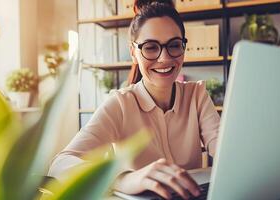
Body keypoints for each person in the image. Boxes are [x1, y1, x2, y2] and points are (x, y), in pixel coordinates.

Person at [48, 0, 220, 199]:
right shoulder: (119, 104)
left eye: (174, 45)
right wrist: (123, 179)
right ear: (133, 52)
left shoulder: (197, 94)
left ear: (183, 47)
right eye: (150, 47)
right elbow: (60, 164)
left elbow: (224, 150)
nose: (164, 58)